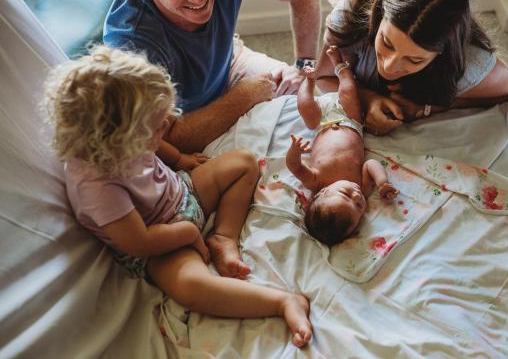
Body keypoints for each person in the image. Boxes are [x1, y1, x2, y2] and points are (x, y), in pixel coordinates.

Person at [44, 46, 312, 347]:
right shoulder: (95, 186)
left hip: (182, 191)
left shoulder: (125, 140)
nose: (168, 125)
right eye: (159, 127)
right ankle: (281, 302)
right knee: (191, 287)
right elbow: (139, 241)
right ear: (117, 139)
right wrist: (187, 233)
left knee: (244, 163)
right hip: (159, 243)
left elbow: (157, 147)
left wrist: (181, 159)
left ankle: (223, 236)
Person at [104, 0, 321, 153]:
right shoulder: (129, 44)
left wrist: (304, 66)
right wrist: (244, 96)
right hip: (181, 117)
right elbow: (167, 141)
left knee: (313, 107)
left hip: (231, 63)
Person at [314, 0, 508, 135]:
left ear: (441, 55)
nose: (389, 66)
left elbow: (506, 90)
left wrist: (426, 109)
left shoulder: (468, 59)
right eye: (386, 42)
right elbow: (323, 78)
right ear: (379, 13)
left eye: (414, 60)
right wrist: (367, 99)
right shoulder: (352, 15)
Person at [287, 46, 399, 246]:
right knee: (349, 90)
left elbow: (294, 166)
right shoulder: (362, 187)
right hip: (350, 121)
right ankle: (340, 66)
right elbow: (371, 164)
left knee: (304, 104)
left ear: (322, 194)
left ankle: (309, 80)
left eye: (346, 194)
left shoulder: (315, 181)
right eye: (358, 206)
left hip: (320, 124)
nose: (356, 195)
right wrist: (381, 183)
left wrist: (294, 152)